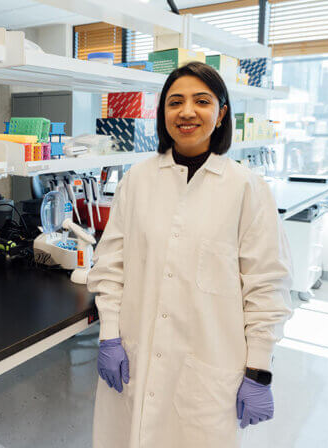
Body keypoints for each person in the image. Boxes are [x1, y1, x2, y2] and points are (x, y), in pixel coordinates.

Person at [87, 61, 293, 448]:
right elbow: (111, 266)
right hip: (136, 356)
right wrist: (110, 337)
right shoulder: (137, 180)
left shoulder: (247, 189)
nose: (186, 112)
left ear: (221, 114)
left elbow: (267, 286)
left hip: (207, 367)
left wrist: (259, 369)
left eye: (201, 101)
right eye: (174, 101)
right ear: (162, 112)